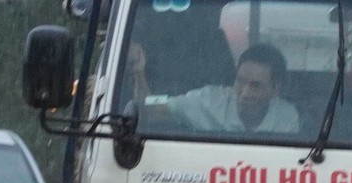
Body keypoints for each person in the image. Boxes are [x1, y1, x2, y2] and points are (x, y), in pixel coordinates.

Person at [126, 42, 301, 135]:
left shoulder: (287, 117)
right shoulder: (208, 100)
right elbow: (150, 107)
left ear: (275, 88)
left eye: (255, 86)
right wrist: (139, 73)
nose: (245, 93)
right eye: (240, 82)